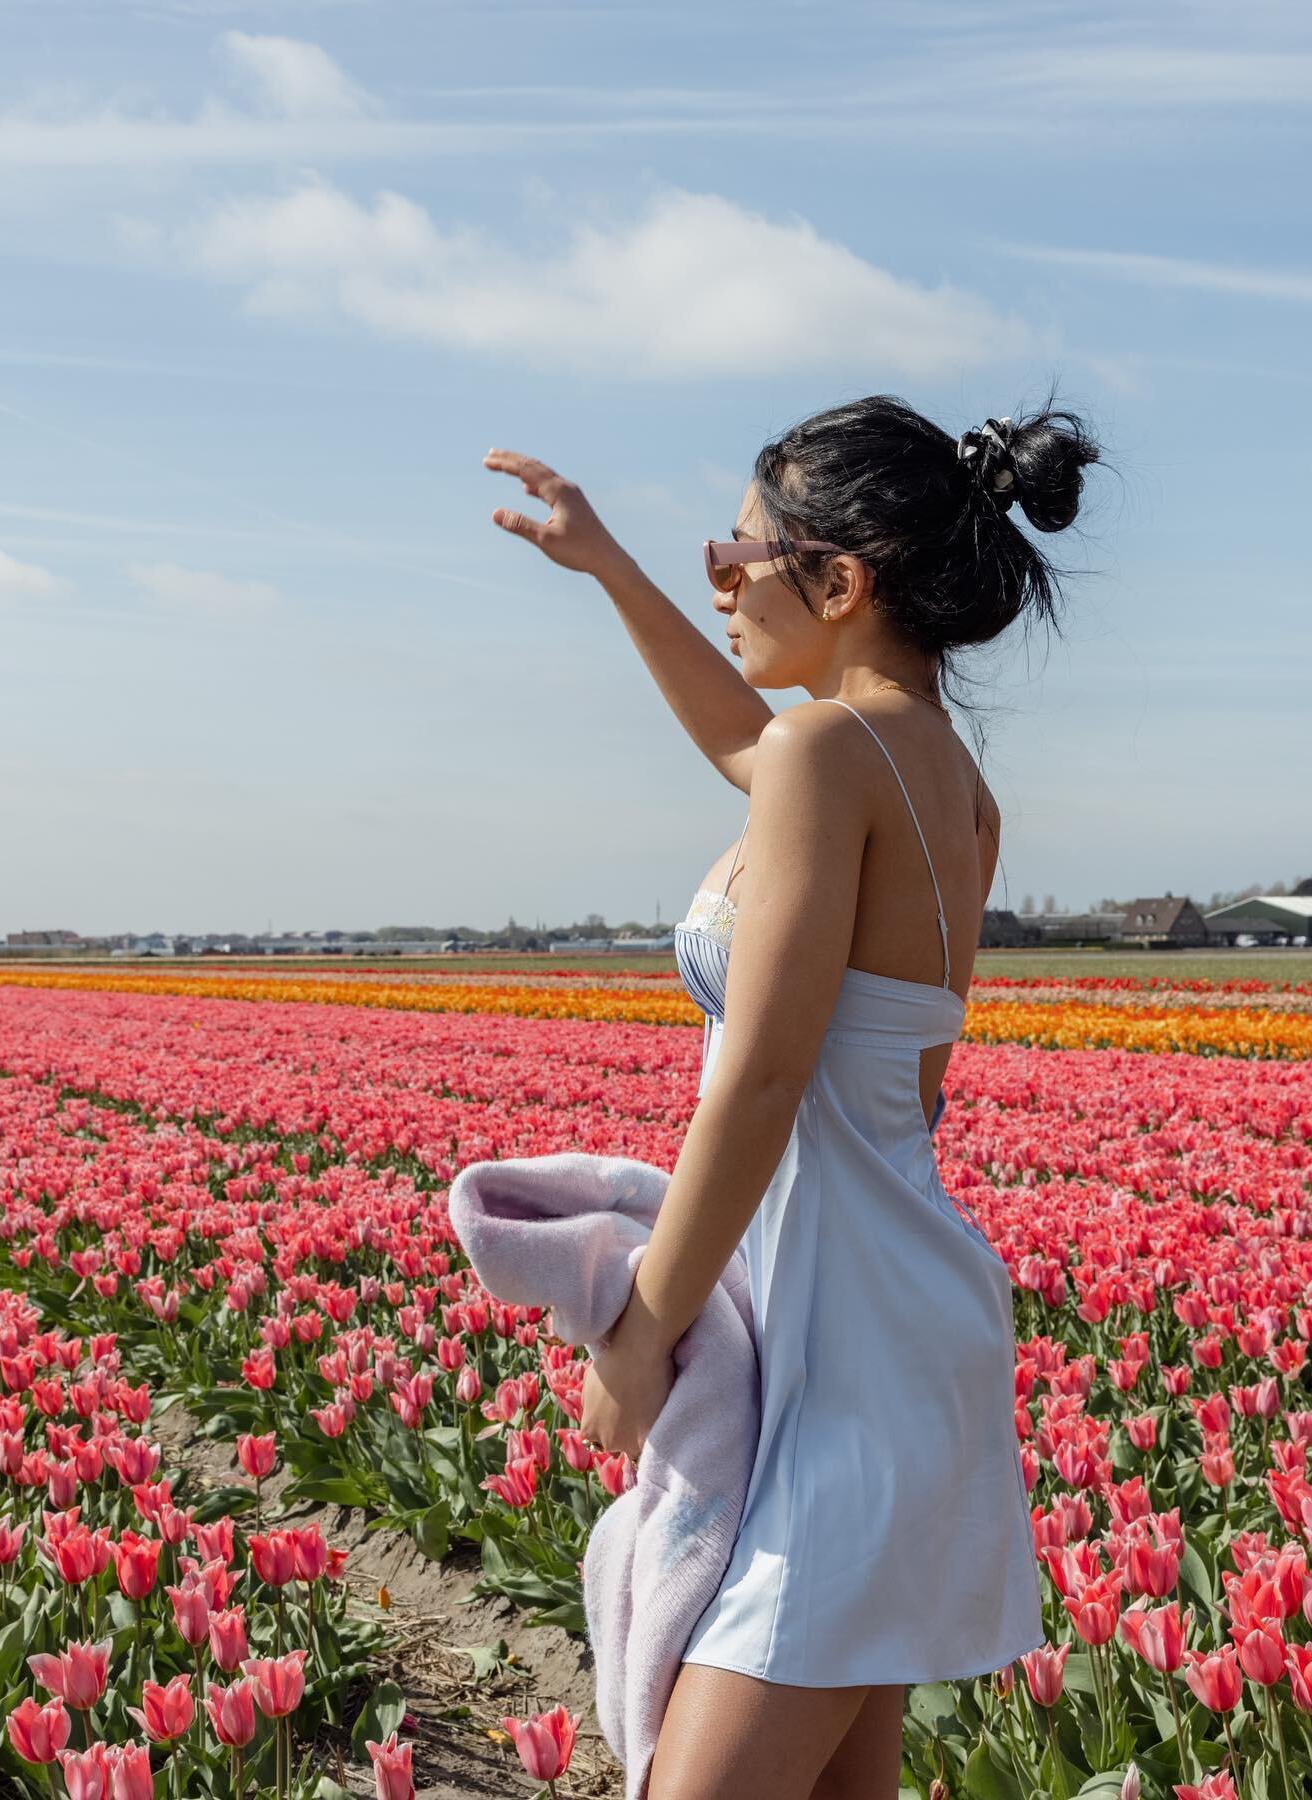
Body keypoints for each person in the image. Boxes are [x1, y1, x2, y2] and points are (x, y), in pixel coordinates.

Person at [483, 391, 1103, 1800]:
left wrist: (643, 1329)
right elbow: (907, 1096)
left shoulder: (836, 759)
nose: (722, 578)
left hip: (848, 1360)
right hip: (885, 1326)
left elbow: (763, 1079)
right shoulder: (943, 785)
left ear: (841, 580)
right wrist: (613, 569)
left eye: (739, 555)